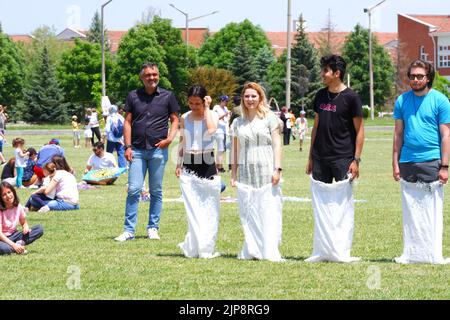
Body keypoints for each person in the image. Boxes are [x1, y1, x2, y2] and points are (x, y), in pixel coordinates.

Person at [305, 54, 364, 263]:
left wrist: (356, 160)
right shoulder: (320, 95)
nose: (322, 74)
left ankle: (340, 251)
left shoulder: (351, 98)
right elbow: (316, 126)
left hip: (342, 159)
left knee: (342, 206)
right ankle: (322, 251)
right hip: (320, 158)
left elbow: (360, 131)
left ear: (336, 73)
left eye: (325, 70)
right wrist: (311, 156)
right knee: (321, 206)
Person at [392, 59, 450, 264]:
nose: (415, 80)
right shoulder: (401, 101)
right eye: (412, 76)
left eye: (419, 76)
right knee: (411, 210)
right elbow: (398, 134)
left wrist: (445, 166)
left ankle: (433, 253)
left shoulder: (441, 101)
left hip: (432, 161)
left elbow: (446, 135)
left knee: (431, 209)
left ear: (428, 78)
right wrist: (395, 162)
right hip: (407, 161)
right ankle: (412, 252)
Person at [115, 62, 180, 242]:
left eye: (155, 74)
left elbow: (175, 120)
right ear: (141, 77)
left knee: (156, 191)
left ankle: (153, 228)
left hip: (158, 150)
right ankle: (129, 230)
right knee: (134, 189)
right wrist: (127, 147)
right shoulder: (133, 96)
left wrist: (169, 138)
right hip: (136, 150)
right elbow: (127, 122)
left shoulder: (168, 96)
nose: (152, 78)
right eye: (148, 75)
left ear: (158, 76)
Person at [230, 82, 284, 262]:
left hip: (266, 166)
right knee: (249, 209)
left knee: (267, 207)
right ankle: (252, 247)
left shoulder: (270, 118)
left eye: (254, 96)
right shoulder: (237, 122)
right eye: (247, 96)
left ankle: (268, 248)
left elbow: (277, 144)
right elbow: (235, 150)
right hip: (246, 168)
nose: (250, 100)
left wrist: (277, 169)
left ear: (260, 98)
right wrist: (233, 174)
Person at [176, 85, 221, 259]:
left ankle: (206, 247)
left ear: (204, 101)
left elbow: (211, 130)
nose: (194, 107)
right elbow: (182, 140)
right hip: (189, 162)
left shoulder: (212, 115)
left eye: (198, 103)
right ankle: (194, 246)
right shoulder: (184, 117)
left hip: (206, 161)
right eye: (191, 103)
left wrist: (208, 108)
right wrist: (178, 163)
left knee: (209, 207)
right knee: (192, 208)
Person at [0, 182, 44, 255]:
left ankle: (19, 245)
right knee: (5, 249)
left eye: (9, 192)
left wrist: (25, 227)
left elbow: (23, 222)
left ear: (13, 192)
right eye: (4, 195)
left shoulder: (18, 206)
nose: (8, 196)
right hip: (2, 238)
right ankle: (16, 248)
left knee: (39, 229)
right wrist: (13, 245)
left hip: (14, 235)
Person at [212, 95, 230, 173]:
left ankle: (219, 165)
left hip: (225, 130)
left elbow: (227, 119)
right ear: (221, 101)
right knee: (220, 149)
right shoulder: (216, 107)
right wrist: (224, 115)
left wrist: (227, 116)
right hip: (218, 131)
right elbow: (215, 117)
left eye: (227, 101)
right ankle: (218, 167)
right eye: (225, 101)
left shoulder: (225, 108)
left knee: (222, 150)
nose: (226, 102)